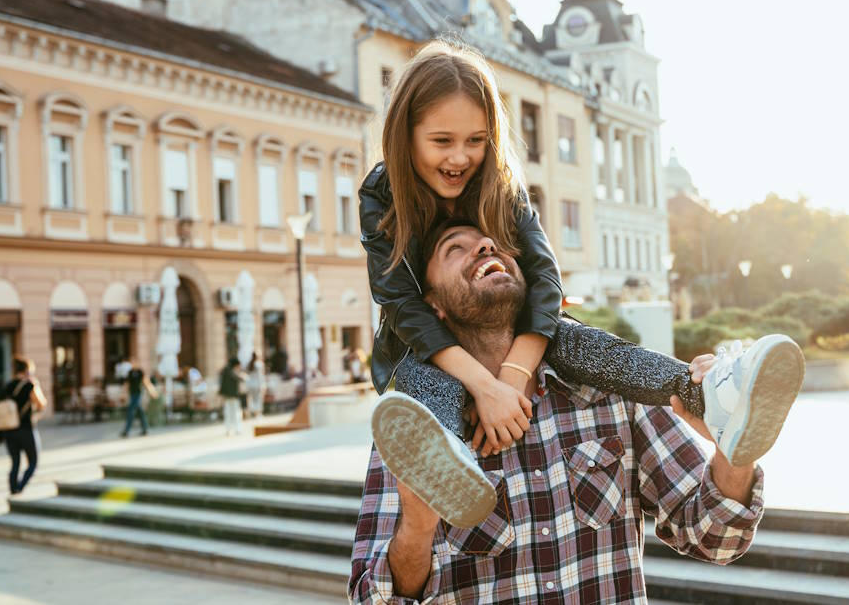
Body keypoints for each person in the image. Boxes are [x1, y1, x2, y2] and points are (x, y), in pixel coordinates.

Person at [359, 39, 804, 526]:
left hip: (528, 326)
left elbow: (545, 281)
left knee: (597, 349)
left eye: (477, 140)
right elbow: (402, 305)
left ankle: (712, 395)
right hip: (421, 342)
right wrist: (483, 389)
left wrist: (511, 379)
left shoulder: (500, 184)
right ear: (406, 135)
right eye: (442, 141)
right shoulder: (381, 197)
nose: (461, 157)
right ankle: (446, 464)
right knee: (427, 384)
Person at [350, 220, 772, 603]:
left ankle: (725, 405)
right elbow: (373, 600)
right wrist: (418, 528)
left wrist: (735, 450)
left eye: (494, 240)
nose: (484, 246)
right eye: (454, 248)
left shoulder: (609, 392)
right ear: (431, 306)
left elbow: (717, 538)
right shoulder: (416, 426)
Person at [0, 356, 48, 495]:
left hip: (8, 430)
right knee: (33, 462)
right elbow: (42, 403)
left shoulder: (8, 386)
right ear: (26, 371)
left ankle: (13, 488)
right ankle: (20, 486)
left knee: (15, 462)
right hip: (25, 429)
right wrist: (36, 385)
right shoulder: (29, 385)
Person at [120, 356, 157, 437]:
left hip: (138, 394)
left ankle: (126, 431)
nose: (133, 364)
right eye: (132, 362)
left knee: (131, 410)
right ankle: (145, 429)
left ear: (138, 363)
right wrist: (123, 394)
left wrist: (152, 392)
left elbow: (146, 382)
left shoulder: (140, 372)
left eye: (135, 362)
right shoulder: (130, 372)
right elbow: (127, 384)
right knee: (140, 412)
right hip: (132, 394)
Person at [218, 357, 246, 436]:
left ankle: (229, 429)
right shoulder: (231, 371)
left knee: (228, 412)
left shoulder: (225, 370)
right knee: (235, 412)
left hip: (227, 395)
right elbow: (239, 378)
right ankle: (237, 429)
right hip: (233, 395)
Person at [245, 352, 266, 419]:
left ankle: (251, 413)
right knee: (257, 399)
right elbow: (260, 376)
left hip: (250, 384)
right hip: (257, 384)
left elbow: (247, 375)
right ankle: (257, 414)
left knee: (251, 399)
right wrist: (262, 385)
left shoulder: (249, 364)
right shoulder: (259, 364)